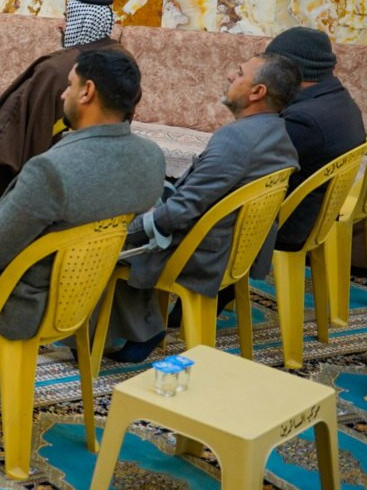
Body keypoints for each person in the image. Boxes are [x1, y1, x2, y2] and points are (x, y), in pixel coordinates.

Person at [0, 49, 166, 419]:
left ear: (87, 92)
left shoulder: (52, 169)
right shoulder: (151, 158)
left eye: (69, 85)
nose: (62, 94)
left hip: (24, 296)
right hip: (84, 295)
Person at [104, 53, 301, 362]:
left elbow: (182, 210)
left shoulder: (237, 140)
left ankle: (134, 331)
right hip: (233, 248)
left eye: (239, 73)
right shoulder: (277, 132)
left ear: (257, 92)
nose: (230, 77)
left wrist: (128, 230)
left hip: (201, 252)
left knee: (102, 229)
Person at [0, 0, 124, 224]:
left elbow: (12, 129)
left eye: (67, 18)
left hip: (48, 176)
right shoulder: (122, 58)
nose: (59, 25)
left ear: (84, 22)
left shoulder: (56, 70)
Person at [263, 27, 367, 252]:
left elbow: (249, 165)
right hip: (316, 215)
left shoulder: (305, 120)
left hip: (287, 226)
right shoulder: (340, 100)